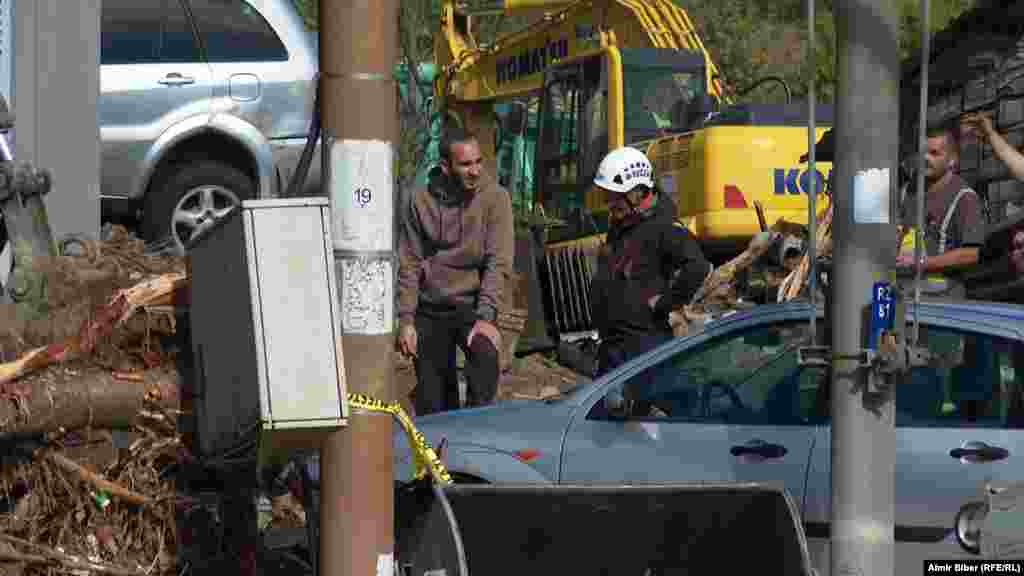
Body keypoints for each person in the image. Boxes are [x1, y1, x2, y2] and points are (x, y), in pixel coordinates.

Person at [396, 125, 515, 416]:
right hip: (431, 307)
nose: (475, 171)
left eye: (478, 162)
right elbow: (409, 261)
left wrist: (487, 316)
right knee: (435, 403)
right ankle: (441, 456)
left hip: (473, 306)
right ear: (446, 167)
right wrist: (406, 319)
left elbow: (497, 262)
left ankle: (478, 433)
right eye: (465, 164)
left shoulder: (495, 198)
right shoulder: (419, 201)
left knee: (486, 357)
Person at [588, 146, 710, 412]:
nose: (610, 203)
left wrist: (664, 303)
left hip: (643, 350)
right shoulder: (623, 226)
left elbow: (697, 267)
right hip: (614, 350)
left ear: (639, 191)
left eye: (616, 197)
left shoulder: (665, 228)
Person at [897, 121, 985, 297]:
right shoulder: (907, 190)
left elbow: (971, 254)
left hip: (943, 302)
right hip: (905, 294)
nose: (926, 158)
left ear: (952, 160)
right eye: (922, 153)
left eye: (934, 153)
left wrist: (922, 263)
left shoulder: (965, 197)